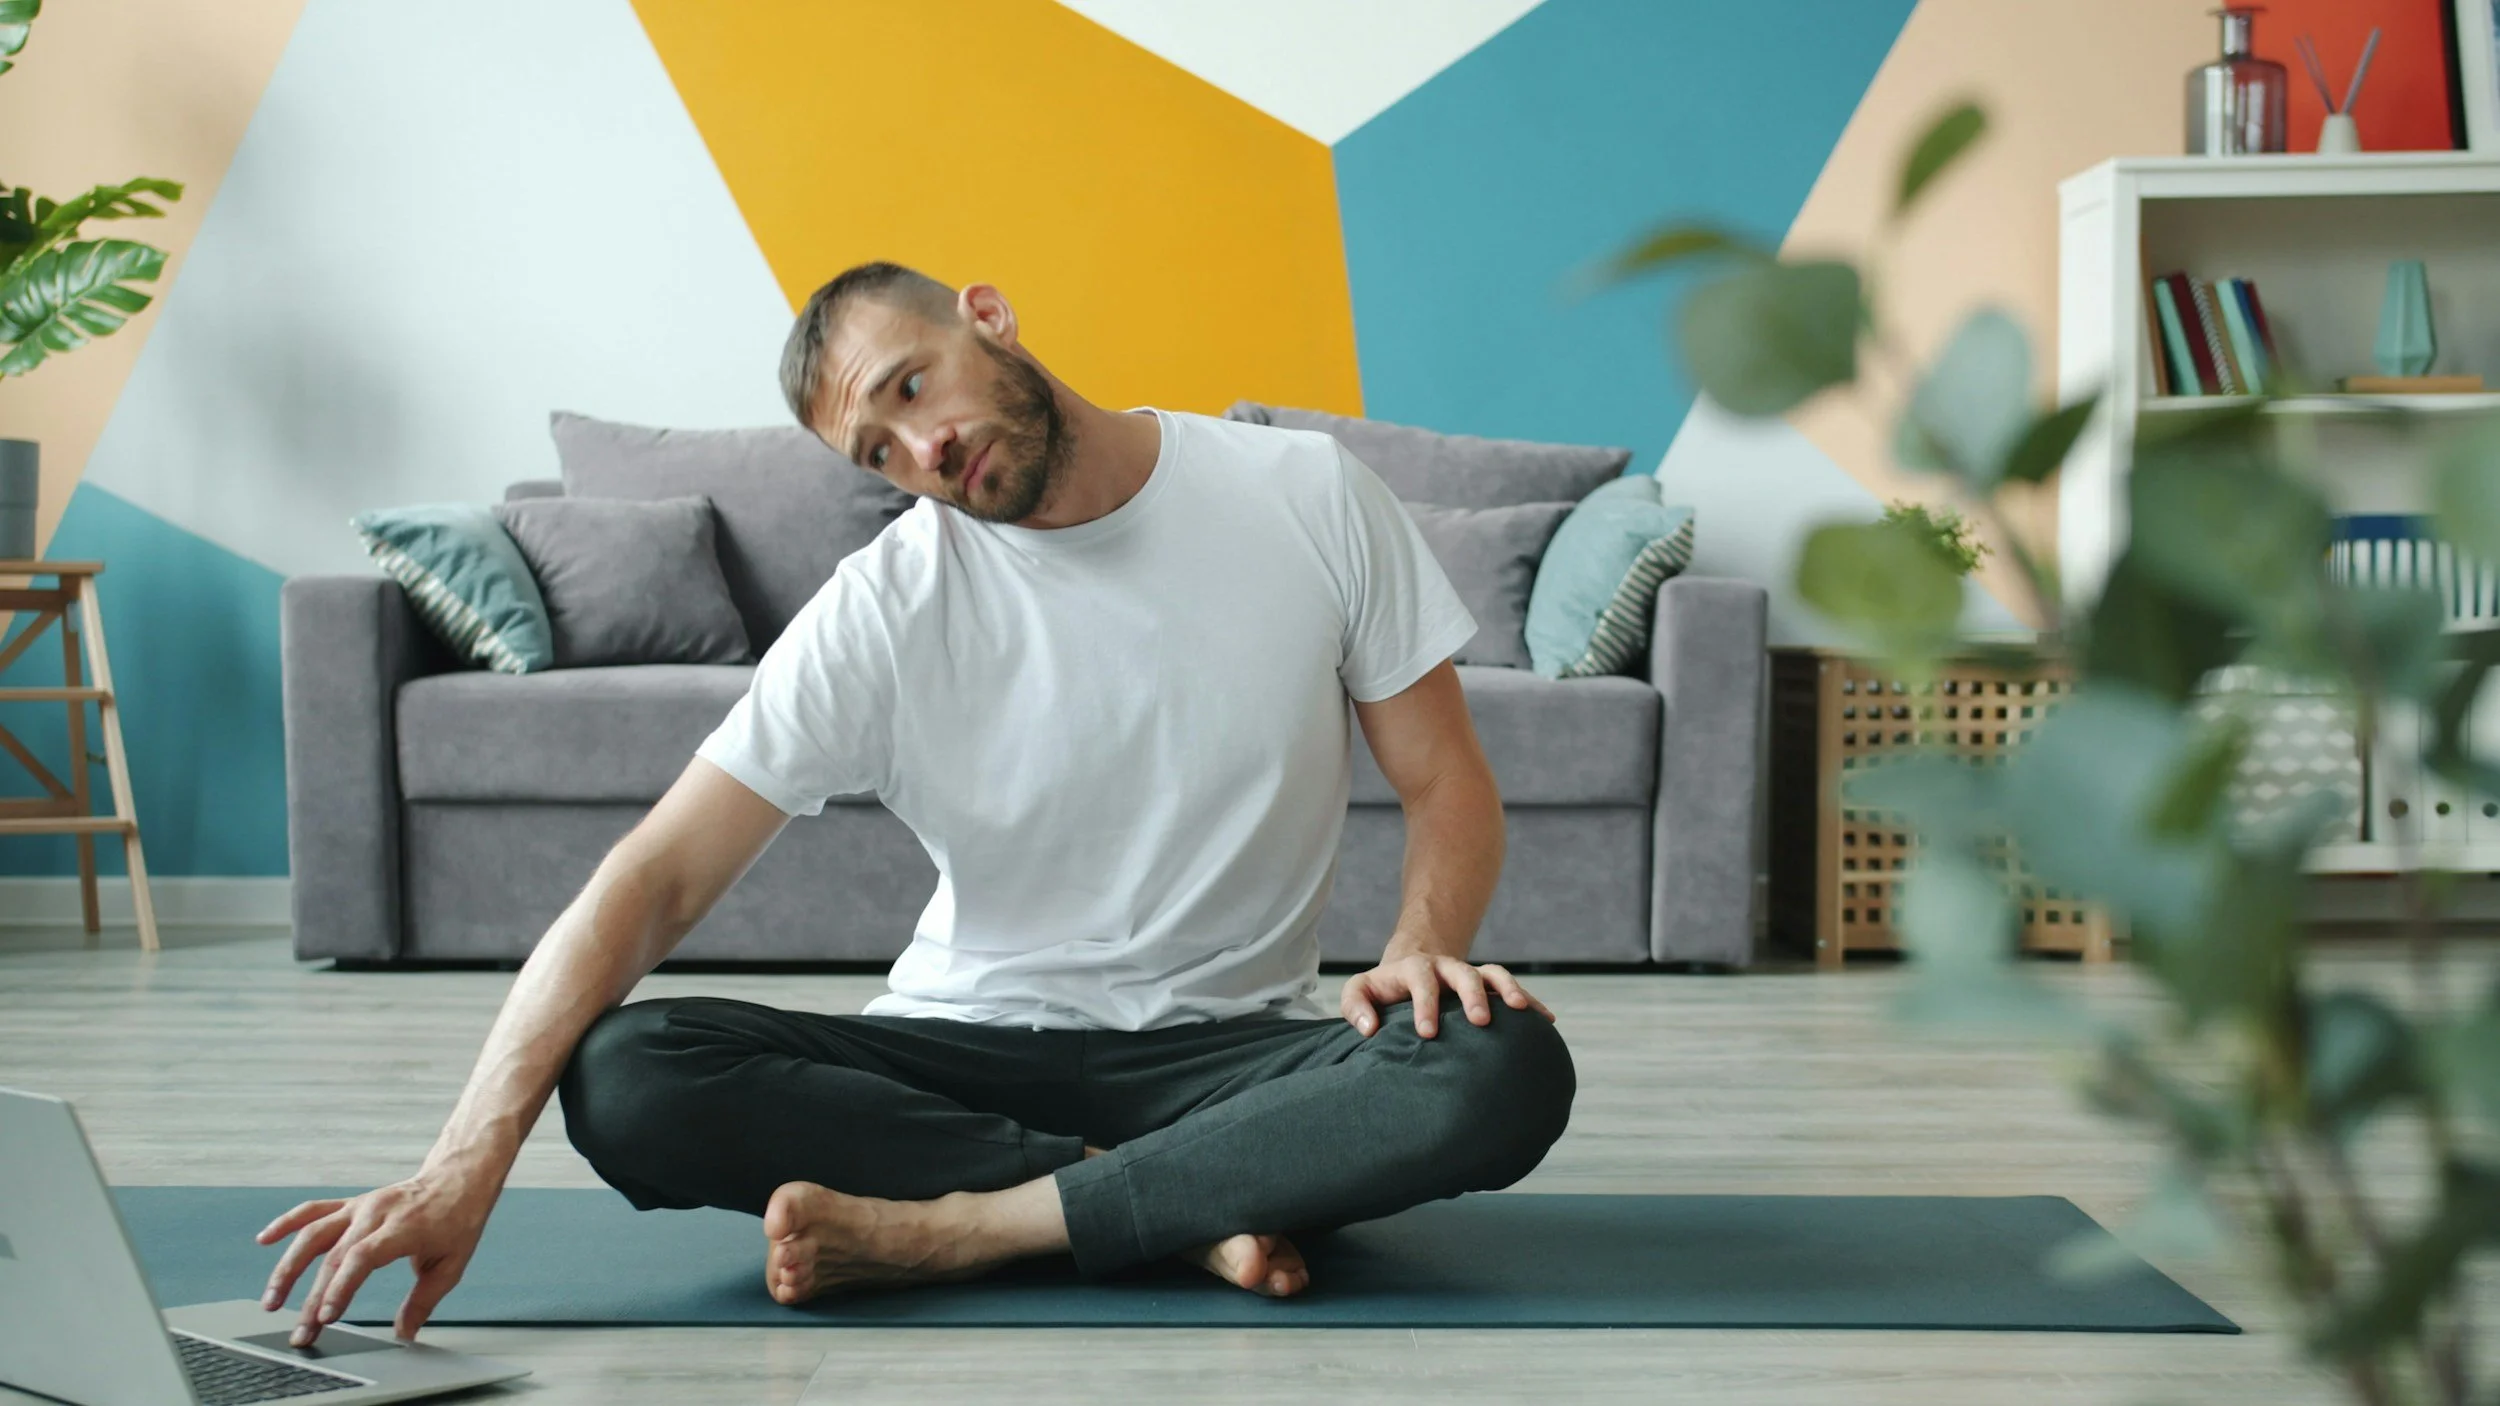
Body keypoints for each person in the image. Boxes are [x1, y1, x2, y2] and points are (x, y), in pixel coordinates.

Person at [256, 262, 1576, 1347]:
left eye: (912, 385)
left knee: (1499, 1062)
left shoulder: (1305, 497)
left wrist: (1414, 958)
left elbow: (1445, 779)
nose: (923, 445)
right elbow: (648, 880)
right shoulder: (886, 605)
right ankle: (1170, 1209)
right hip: (962, 1048)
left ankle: (972, 1226)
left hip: (1222, 1053)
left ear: (987, 316)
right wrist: (457, 1166)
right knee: (627, 1071)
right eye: (878, 446)